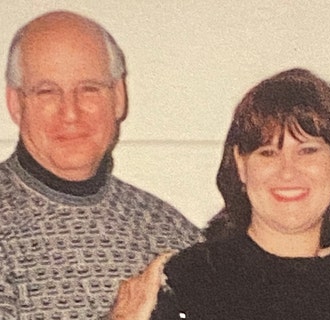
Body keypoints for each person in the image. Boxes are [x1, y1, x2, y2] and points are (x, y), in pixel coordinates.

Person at [112, 68, 330, 319]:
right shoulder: (191, 278)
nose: (288, 170)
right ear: (241, 165)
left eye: (307, 151)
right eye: (267, 153)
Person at [0, 11, 201, 319]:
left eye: (89, 88)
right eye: (47, 92)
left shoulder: (169, 231)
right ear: (15, 103)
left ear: (118, 96)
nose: (70, 112)